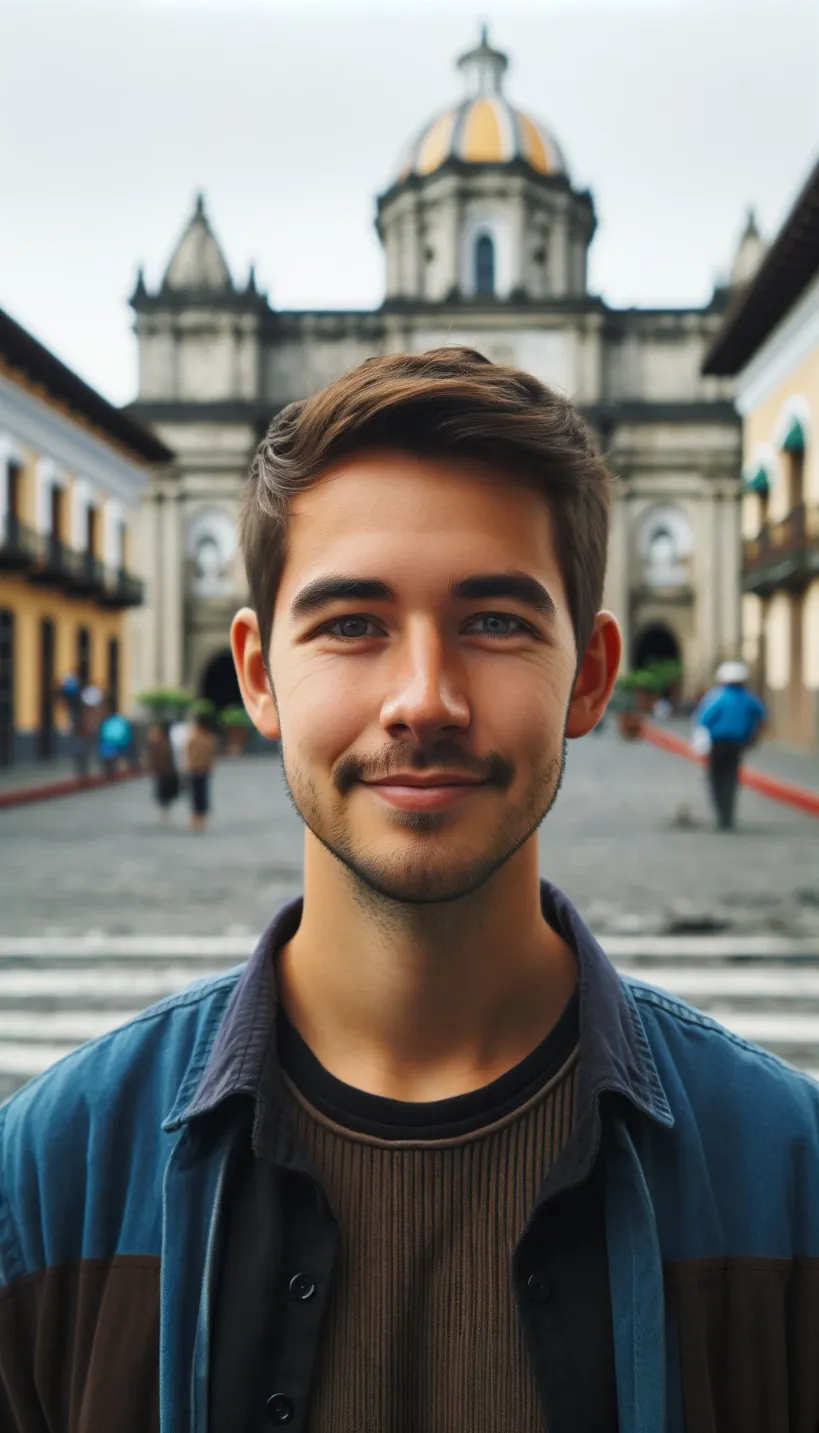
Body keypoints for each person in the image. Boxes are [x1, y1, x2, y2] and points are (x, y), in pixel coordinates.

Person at [2, 349, 819, 1432]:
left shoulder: (789, 1181)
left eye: (495, 621)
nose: (422, 700)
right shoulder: (50, 1182)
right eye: (351, 622)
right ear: (256, 675)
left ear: (590, 674)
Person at [692, 659, 766, 830]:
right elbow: (762, 717)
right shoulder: (749, 698)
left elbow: (703, 719)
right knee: (731, 778)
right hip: (738, 744)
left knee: (716, 778)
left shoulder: (716, 696)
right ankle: (729, 814)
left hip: (718, 744)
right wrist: (753, 737)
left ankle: (721, 814)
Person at [185, 713, 219, 831]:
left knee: (198, 794)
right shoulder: (208, 738)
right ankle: (198, 816)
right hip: (199, 769)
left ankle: (198, 817)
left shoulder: (195, 737)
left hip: (197, 769)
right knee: (199, 794)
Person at [144, 719, 179, 820]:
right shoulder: (154, 744)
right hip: (160, 772)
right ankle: (162, 809)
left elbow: (167, 760)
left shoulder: (165, 745)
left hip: (166, 772)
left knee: (164, 792)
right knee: (160, 792)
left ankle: (164, 810)